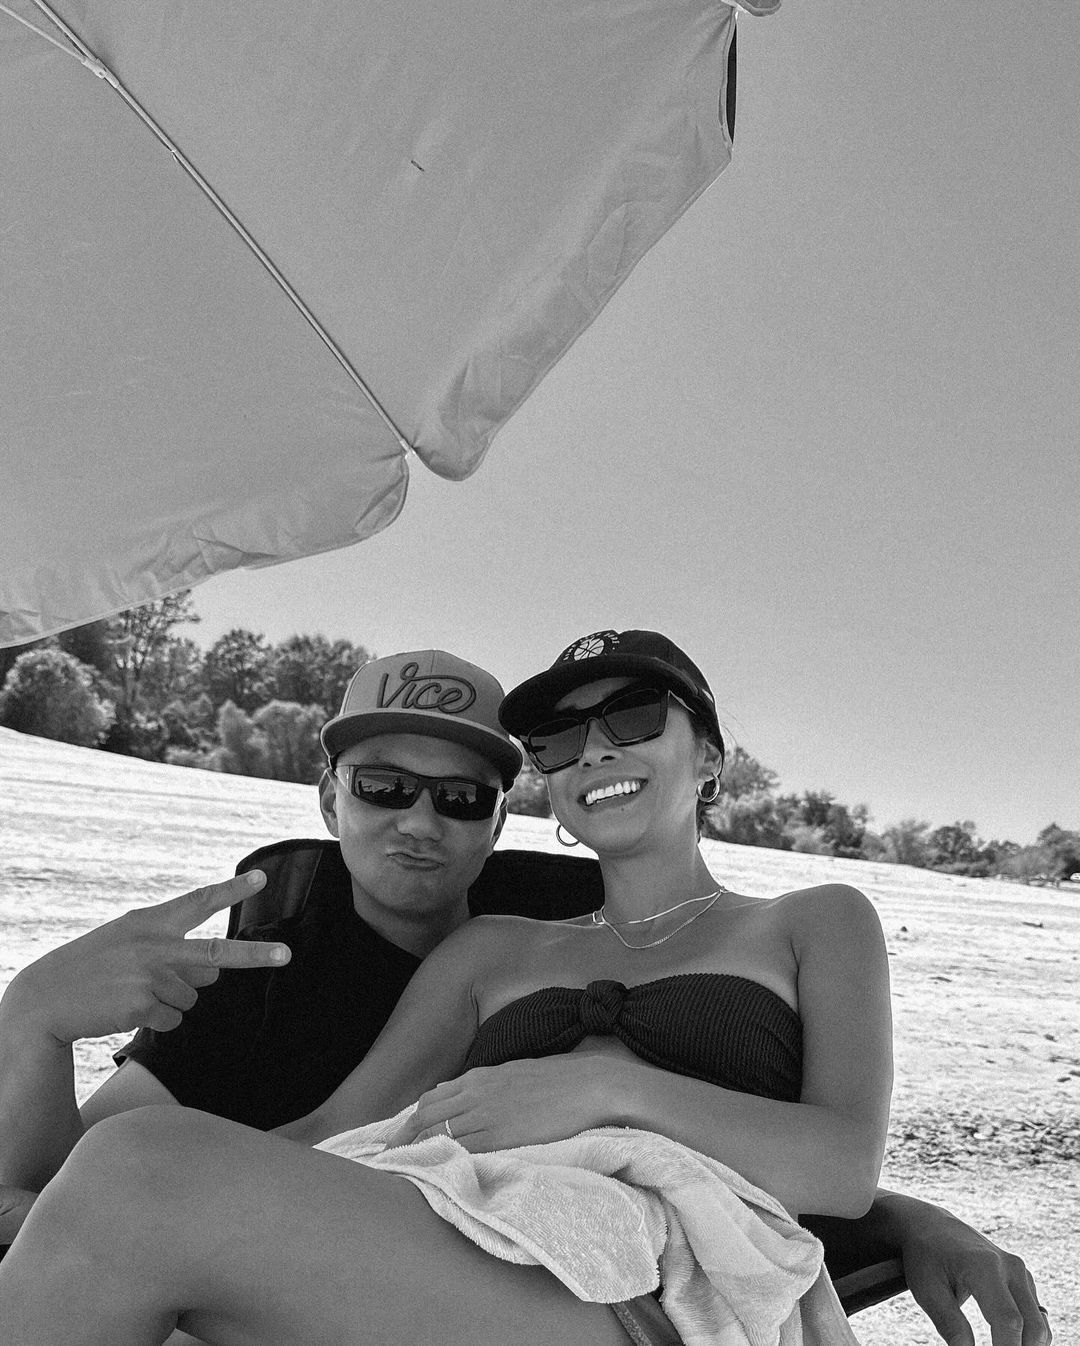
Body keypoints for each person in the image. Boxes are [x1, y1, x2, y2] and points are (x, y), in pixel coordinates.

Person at [0, 645, 1050, 1346]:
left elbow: (841, 1166)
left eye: (633, 716)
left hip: (655, 1289)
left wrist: (604, 1089)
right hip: (466, 1244)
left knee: (139, 1173)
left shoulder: (814, 919)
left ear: (710, 757)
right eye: (561, 741)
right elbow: (335, 1136)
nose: (597, 750)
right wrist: (68, 1203)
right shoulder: (494, 944)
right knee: (133, 1175)